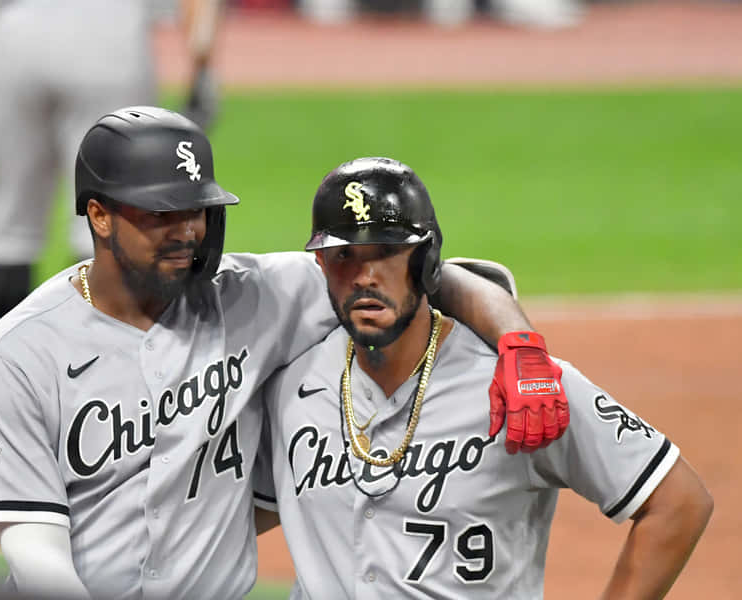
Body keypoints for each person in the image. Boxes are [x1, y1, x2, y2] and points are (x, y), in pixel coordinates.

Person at [0, 107, 568, 599]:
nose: (187, 230)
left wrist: (519, 342)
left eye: (196, 209)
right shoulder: (16, 357)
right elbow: (36, 553)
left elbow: (431, 276)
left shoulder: (253, 297)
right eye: (161, 212)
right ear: (99, 215)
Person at [253, 157, 713, 599]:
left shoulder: (522, 387)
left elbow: (678, 502)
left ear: (427, 258)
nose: (364, 275)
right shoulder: (293, 386)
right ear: (320, 265)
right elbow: (239, 510)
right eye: (344, 256)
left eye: (388, 253)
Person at [0, 0, 223, 325]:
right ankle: (102, 358)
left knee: (7, 235)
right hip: (113, 42)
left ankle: (6, 366)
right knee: (112, 218)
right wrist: (202, 67)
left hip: (13, 45)